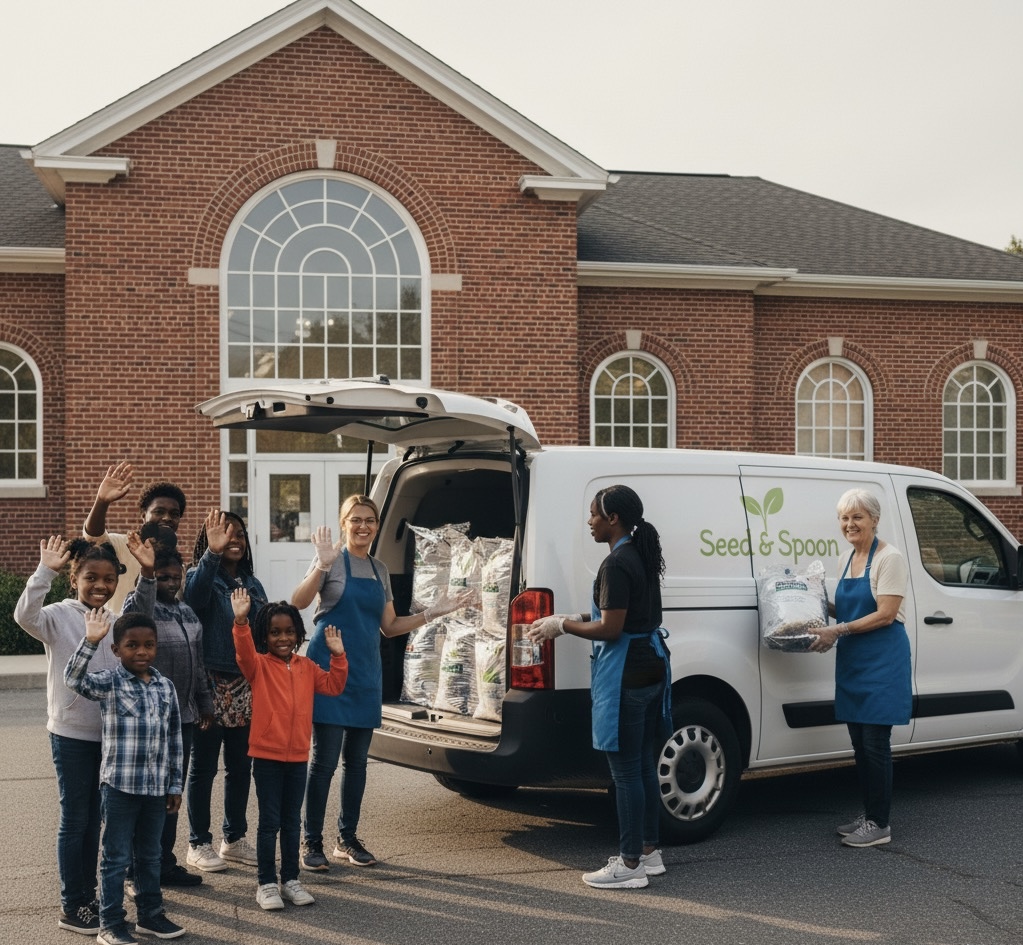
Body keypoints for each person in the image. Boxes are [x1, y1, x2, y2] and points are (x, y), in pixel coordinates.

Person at [292, 495, 468, 870]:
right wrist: (320, 568)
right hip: (327, 671)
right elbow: (298, 602)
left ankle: (347, 838)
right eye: (355, 520)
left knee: (357, 763)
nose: (363, 526)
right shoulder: (331, 561)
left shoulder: (379, 569)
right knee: (323, 762)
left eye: (369, 520)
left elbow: (389, 627)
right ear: (343, 524)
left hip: (366, 673)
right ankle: (310, 842)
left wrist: (431, 613)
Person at [528, 484, 671, 890]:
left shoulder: (615, 564)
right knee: (643, 764)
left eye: (593, 514)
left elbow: (610, 628)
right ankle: (648, 851)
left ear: (613, 519)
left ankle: (628, 865)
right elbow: (625, 614)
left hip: (626, 674)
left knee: (624, 772)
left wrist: (562, 625)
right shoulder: (639, 556)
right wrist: (575, 615)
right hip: (650, 669)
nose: (589, 521)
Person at [14, 536, 125, 936]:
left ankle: (87, 894)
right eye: (91, 577)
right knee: (75, 818)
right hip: (71, 733)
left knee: (94, 819)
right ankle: (71, 903)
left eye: (109, 578)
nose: (100, 585)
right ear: (74, 579)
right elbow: (24, 616)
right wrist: (44, 571)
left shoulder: (113, 620)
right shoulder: (58, 615)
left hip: (109, 734)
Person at [64, 608, 186, 944]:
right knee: (116, 857)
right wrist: (90, 642)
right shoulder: (110, 682)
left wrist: (175, 784)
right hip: (119, 787)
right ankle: (111, 923)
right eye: (132, 645)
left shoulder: (165, 687)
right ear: (117, 650)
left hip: (156, 788)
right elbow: (73, 679)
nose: (142, 651)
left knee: (149, 855)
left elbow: (174, 738)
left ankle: (150, 915)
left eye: (149, 645)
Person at [230, 589, 348, 910]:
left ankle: (291, 880)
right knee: (269, 823)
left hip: (297, 758)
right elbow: (242, 652)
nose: (282, 638)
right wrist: (240, 620)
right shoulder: (258, 666)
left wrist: (338, 655)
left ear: (298, 633)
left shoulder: (307, 666)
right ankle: (267, 884)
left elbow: (334, 686)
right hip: (266, 758)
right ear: (264, 635)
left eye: (289, 631)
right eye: (274, 632)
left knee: (291, 822)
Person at [809, 488, 911, 848]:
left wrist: (836, 629)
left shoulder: (890, 558)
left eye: (857, 517)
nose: (849, 524)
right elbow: (848, 610)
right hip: (854, 659)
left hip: (882, 659)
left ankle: (880, 824)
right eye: (844, 518)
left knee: (875, 743)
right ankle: (869, 814)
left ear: (874, 520)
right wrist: (808, 601)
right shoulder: (846, 558)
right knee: (859, 744)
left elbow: (885, 613)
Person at [122, 536, 213, 888]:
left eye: (176, 577)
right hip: (149, 722)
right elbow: (136, 612)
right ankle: (135, 870)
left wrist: (204, 703)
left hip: (184, 718)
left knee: (171, 793)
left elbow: (199, 661)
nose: (171, 583)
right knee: (146, 796)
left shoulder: (186, 611)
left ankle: (163, 863)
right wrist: (146, 573)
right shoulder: (142, 607)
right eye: (163, 577)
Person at [183, 509, 267, 873]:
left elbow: (262, 631)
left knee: (239, 767)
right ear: (209, 539)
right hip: (210, 682)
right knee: (203, 768)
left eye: (240, 534)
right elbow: (194, 600)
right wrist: (212, 554)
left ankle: (233, 839)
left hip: (246, 684)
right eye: (224, 534)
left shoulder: (252, 582)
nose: (234, 540)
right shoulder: (199, 576)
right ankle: (198, 843)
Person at [83, 462, 188, 613]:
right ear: (144, 515)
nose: (167, 518)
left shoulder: (177, 565)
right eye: (159, 511)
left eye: (174, 514)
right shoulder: (120, 544)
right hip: (116, 633)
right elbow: (93, 537)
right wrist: (101, 501)